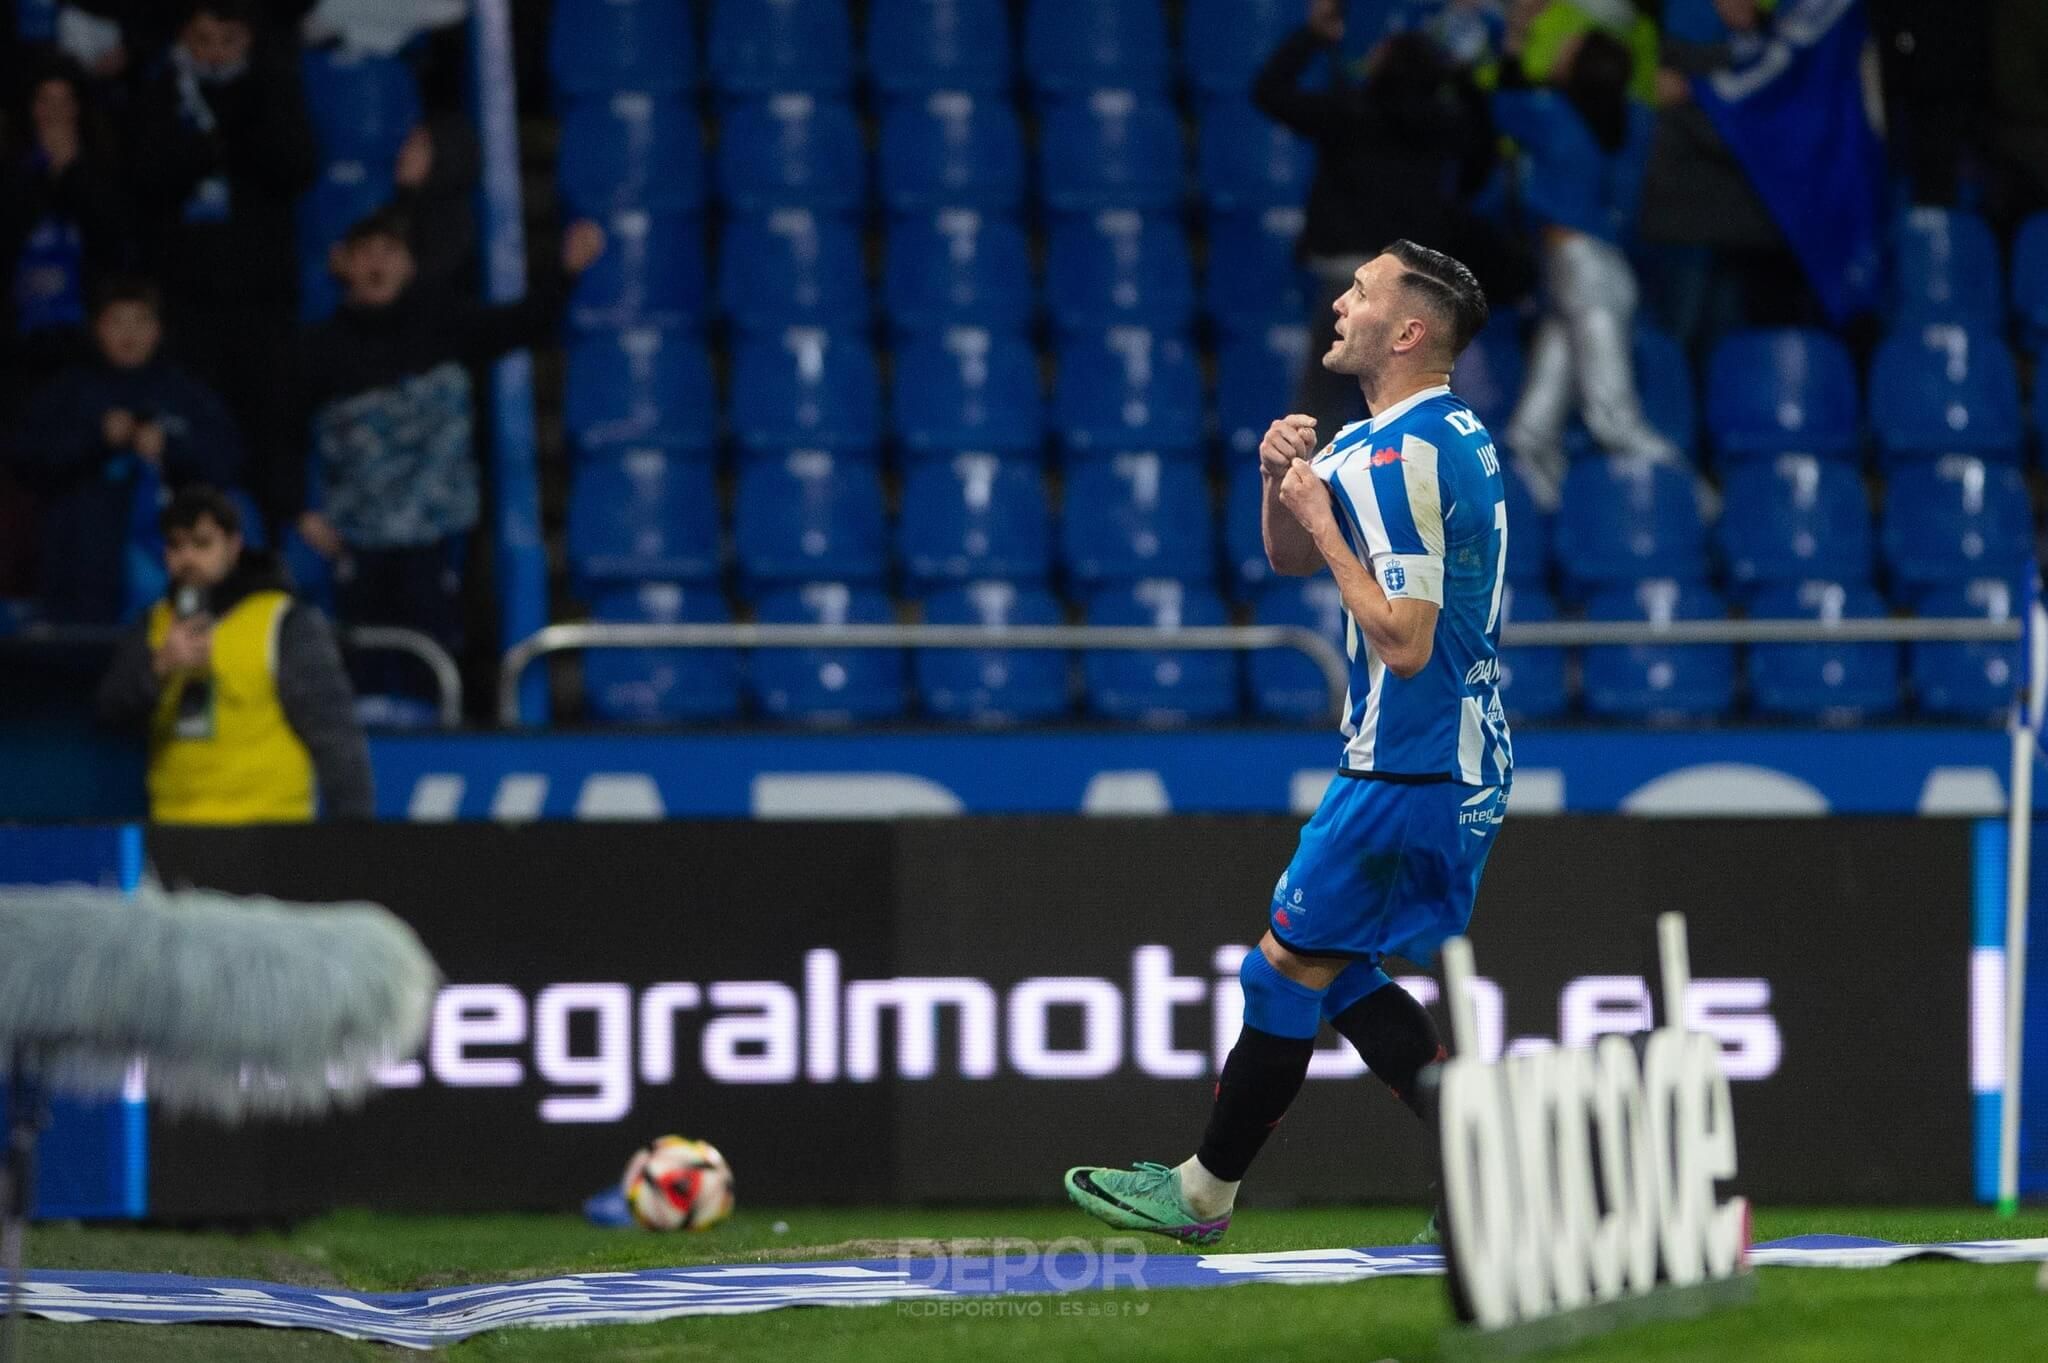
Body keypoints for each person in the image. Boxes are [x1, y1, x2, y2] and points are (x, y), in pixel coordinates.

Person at [1064, 241, 1511, 1246]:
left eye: (1361, 290)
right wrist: (1282, 484)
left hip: (1414, 760)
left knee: (1279, 972)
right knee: (1335, 968)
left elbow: (1402, 640)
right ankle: (1488, 1170)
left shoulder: (1408, 457)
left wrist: (1322, 513)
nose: (1340, 301)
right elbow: (1284, 554)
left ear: (1407, 330)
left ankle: (1199, 1192)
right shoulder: (1382, 437)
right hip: (1416, 755)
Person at [289, 208, 605, 686]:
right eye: (365, 254)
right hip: (357, 536)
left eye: (388, 254)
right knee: (362, 662)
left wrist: (564, 273)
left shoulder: (444, 323)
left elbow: (519, 324)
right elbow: (281, 434)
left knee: (433, 656)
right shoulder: (317, 350)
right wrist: (297, 508)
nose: (376, 265)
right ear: (341, 263)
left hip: (436, 535)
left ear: (409, 265)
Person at [1253, 0, 1512, 436]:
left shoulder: (1348, 112)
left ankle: (1307, 493)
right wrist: (1465, 78)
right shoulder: (1443, 123)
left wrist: (1313, 37)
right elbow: (1481, 162)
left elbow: (1269, 92)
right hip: (1414, 282)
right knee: (1423, 405)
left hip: (1348, 273)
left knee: (1321, 405)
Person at [127, 0, 317, 511]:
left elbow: (297, 167)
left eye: (226, 41)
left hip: (262, 301)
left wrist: (241, 118)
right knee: (194, 436)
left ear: (248, 40)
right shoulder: (158, 91)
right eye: (202, 40)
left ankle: (270, 558)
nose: (213, 54)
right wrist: (206, 151)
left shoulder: (271, 88)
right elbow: (145, 180)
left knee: (270, 433)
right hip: (187, 305)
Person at [96, 485, 373, 823]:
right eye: (175, 546)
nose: (187, 559)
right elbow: (110, 716)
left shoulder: (281, 620)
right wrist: (159, 668)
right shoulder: (153, 626)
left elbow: (334, 733)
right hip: (174, 829)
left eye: (202, 544)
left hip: (271, 829)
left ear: (233, 546)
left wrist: (355, 832)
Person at [1494, 20, 1678, 507]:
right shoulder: (1634, 118)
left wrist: (1513, 46)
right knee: (1532, 432)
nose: (1559, 54)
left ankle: (1696, 500)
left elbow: (1503, 106)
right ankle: (1547, 516)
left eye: (1569, 50)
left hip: (1581, 268)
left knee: (1614, 419)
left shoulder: (1555, 113)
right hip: (1597, 267)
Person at [7, 277, 241, 622]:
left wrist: (170, 447)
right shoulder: (67, 393)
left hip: (173, 568)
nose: (129, 333)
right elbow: (26, 460)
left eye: (140, 321)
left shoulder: (186, 395)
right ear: (96, 329)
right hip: (81, 572)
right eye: (116, 321)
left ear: (158, 330)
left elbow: (228, 462)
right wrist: (96, 439)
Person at [0, 56, 131, 410]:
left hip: (85, 336)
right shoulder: (10, 170)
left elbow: (113, 243)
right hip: (18, 341)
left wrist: (71, 173)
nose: (55, 113)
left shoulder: (105, 168)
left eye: (65, 102)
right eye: (45, 100)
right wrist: (39, 173)